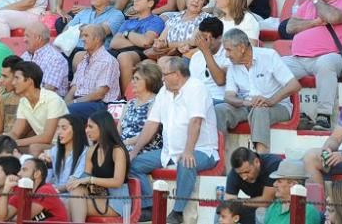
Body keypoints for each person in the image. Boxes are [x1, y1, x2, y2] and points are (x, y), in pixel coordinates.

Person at [129, 56, 219, 221]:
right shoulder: (164, 91)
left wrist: (188, 151)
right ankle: (149, 207)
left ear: (177, 75)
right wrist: (134, 151)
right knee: (134, 164)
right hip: (169, 152)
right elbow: (152, 123)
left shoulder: (196, 88)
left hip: (202, 150)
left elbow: (196, 121)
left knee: (186, 162)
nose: (162, 79)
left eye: (165, 74)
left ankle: (177, 212)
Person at [216, 29, 301, 154]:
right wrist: (245, 103)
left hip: (277, 106)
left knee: (260, 110)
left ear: (241, 47)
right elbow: (229, 96)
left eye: (228, 50)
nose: (226, 55)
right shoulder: (232, 66)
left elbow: (294, 85)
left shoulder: (268, 56)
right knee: (219, 110)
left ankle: (261, 158)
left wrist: (270, 101)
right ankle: (221, 156)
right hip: (248, 105)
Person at [224, 148, 280, 224]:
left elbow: (266, 201)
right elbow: (229, 201)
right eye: (240, 174)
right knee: (224, 212)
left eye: (247, 172)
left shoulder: (272, 164)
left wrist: (239, 202)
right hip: (253, 204)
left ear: (256, 162)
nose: (244, 177)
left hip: (277, 204)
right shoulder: (234, 174)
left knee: (261, 212)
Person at [264, 160, 322, 224]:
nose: (274, 184)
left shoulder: (308, 211)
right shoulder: (274, 206)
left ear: (293, 184)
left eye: (279, 181)